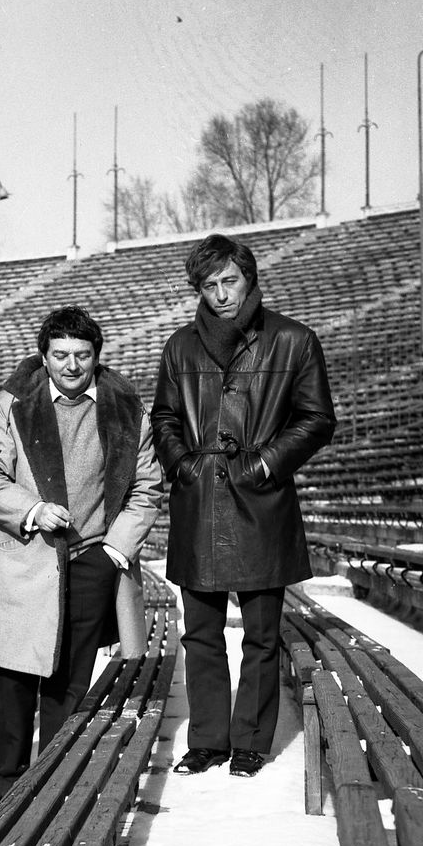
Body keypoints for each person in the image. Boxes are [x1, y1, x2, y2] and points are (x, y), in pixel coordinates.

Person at [150, 234, 336, 778]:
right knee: (200, 632)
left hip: (261, 501)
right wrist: (183, 464)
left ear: (249, 279)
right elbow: (164, 417)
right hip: (198, 500)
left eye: (229, 281)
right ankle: (208, 740)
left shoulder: (293, 340)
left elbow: (317, 419)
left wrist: (265, 464)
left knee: (261, 634)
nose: (221, 294)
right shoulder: (180, 347)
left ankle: (251, 741)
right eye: (209, 285)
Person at [0, 305, 163, 802]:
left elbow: (147, 487)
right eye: (60, 355)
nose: (71, 365)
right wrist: (33, 509)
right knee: (14, 679)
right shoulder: (11, 403)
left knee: (68, 686)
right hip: (25, 557)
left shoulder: (126, 408)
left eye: (81, 355)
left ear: (96, 356)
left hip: (91, 560)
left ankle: (50, 792)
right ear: (44, 357)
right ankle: (8, 791)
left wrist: (114, 551)